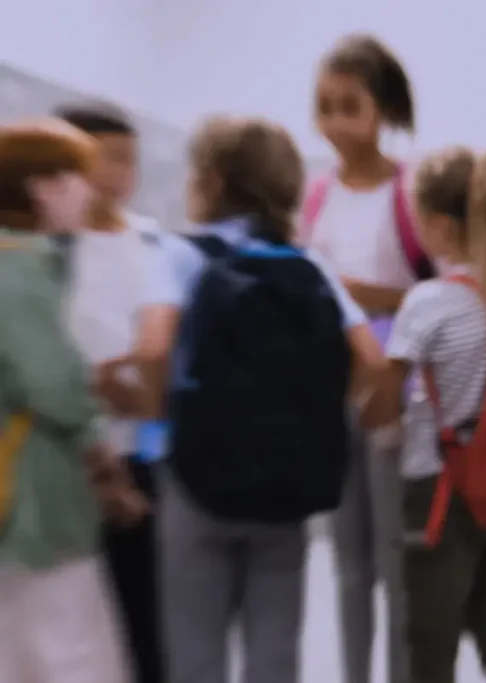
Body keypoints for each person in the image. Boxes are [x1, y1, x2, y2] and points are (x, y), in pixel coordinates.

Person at [159, 115, 383, 683]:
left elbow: (154, 349)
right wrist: (316, 412)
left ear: (210, 182)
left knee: (196, 649)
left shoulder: (181, 258)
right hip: (285, 487)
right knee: (275, 651)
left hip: (195, 483)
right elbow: (372, 361)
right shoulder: (310, 268)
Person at [363, 147, 486, 683]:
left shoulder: (429, 301)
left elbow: (383, 402)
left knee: (429, 639)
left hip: (439, 493)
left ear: (439, 225)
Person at [302, 33, 433, 683]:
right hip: (332, 394)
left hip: (396, 395)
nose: (333, 122)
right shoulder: (317, 195)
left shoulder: (410, 193)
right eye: (323, 106)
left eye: (348, 105)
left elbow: (440, 295)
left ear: (381, 110)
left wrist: (362, 294)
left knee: (395, 562)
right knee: (347, 564)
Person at [0, 118, 148, 683]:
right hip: (36, 500)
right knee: (70, 651)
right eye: (77, 177)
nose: (91, 190)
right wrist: (99, 445)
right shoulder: (21, 270)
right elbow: (53, 384)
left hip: (19, 499)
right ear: (44, 189)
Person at [55, 100, 180, 683]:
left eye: (127, 160)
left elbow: (170, 340)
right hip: (64, 460)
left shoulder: (151, 241)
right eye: (104, 159)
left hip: (141, 456)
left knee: (145, 615)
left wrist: (151, 390)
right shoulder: (48, 248)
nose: (118, 174)